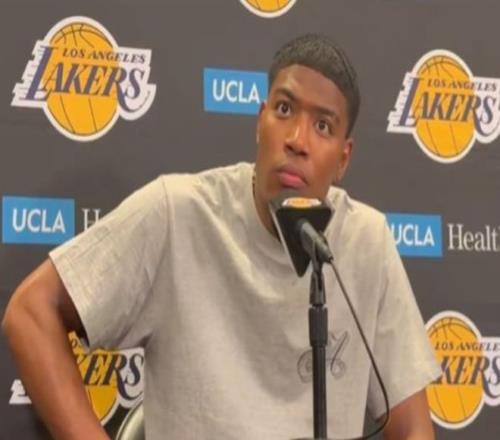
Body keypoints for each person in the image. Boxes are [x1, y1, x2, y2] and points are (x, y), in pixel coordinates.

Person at [2, 34, 441, 439]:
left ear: (343, 159)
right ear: (260, 121)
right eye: (284, 110)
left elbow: (413, 428)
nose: (297, 140)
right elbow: (30, 312)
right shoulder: (178, 213)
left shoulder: (367, 241)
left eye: (323, 126)